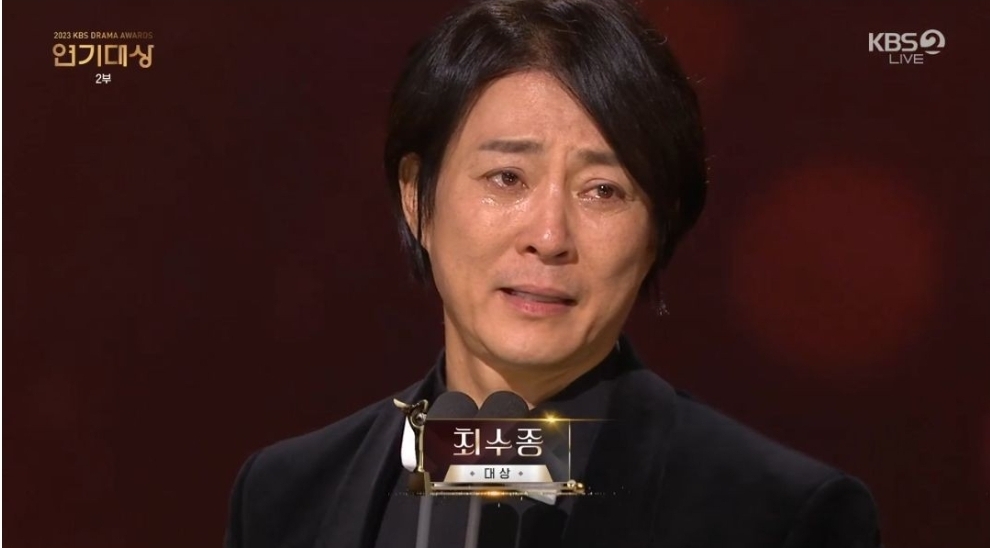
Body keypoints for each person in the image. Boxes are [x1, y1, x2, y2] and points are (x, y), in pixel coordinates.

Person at [223, 0, 882, 546]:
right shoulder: (285, 497)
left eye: (604, 191)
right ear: (418, 198)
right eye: (507, 177)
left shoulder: (782, 519)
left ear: (657, 230)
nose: (549, 238)